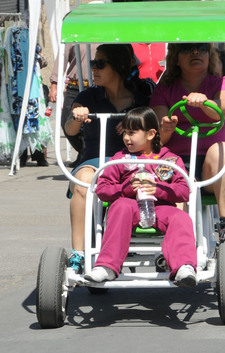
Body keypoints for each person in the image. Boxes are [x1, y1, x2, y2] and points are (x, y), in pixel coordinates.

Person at [84, 107, 197, 286]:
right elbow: (103, 189)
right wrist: (126, 188)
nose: (126, 138)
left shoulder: (169, 160)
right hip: (129, 206)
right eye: (125, 132)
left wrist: (158, 189)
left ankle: (184, 266)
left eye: (132, 133)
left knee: (181, 217)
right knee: (120, 206)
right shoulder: (120, 159)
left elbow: (184, 190)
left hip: (161, 208)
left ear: (150, 134)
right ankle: (107, 266)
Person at [64, 44, 151, 272]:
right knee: (83, 181)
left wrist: (136, 123)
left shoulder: (142, 98)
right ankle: (78, 253)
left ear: (119, 66)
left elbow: (156, 131)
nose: (93, 68)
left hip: (132, 163)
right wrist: (76, 117)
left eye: (100, 63)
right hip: (95, 161)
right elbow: (70, 129)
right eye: (93, 63)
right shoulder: (88, 97)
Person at [150, 43, 225, 244]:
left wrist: (204, 103)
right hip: (175, 163)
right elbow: (158, 138)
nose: (195, 52)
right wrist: (167, 128)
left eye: (201, 48)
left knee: (223, 150)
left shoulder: (222, 82)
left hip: (212, 165)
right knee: (171, 166)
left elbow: (223, 110)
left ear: (209, 55)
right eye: (187, 49)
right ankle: (177, 238)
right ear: (176, 58)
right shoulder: (164, 87)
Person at [50, 43, 97, 167]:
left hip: (98, 86)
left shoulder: (106, 34)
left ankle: (86, 155)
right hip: (75, 86)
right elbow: (62, 58)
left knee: (93, 123)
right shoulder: (74, 35)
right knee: (67, 121)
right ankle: (84, 151)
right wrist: (54, 84)